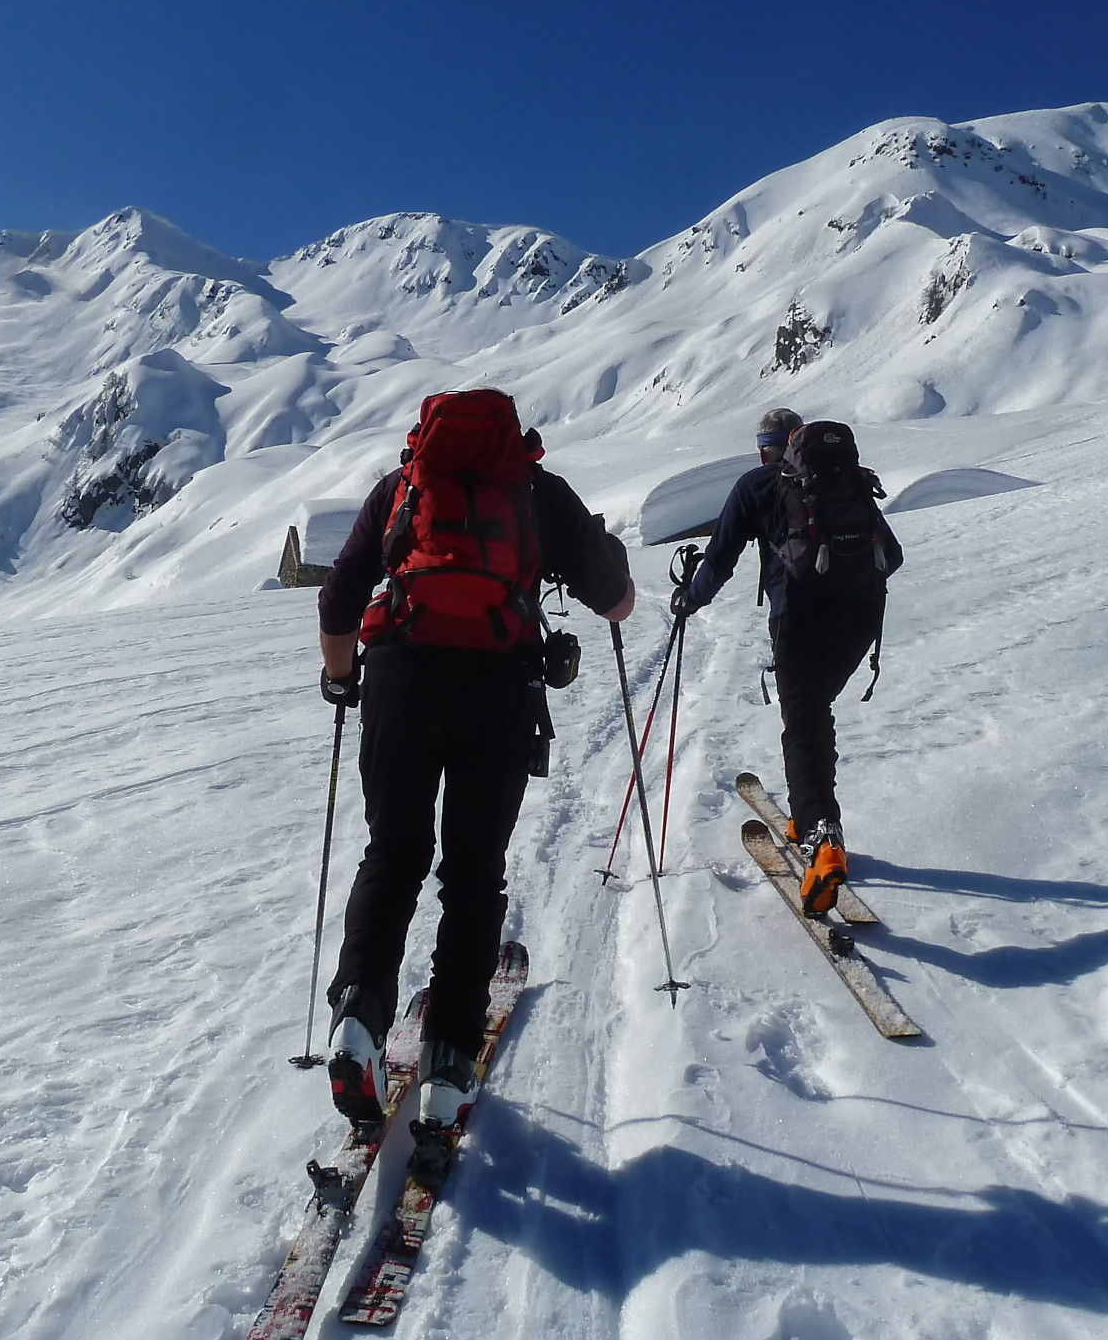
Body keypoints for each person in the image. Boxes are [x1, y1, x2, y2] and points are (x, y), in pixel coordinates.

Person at [316, 388, 633, 1135]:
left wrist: (341, 678)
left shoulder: (402, 489)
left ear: (424, 436)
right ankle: (449, 1063)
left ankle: (358, 1021)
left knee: (392, 857)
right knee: (471, 874)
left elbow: (338, 597)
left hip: (399, 677)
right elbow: (616, 601)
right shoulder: (536, 492)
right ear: (510, 438)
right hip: (497, 687)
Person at [672, 406, 902, 915]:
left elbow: (719, 560)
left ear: (766, 446)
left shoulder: (757, 485)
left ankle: (822, 838)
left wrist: (690, 598)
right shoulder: (844, 483)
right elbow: (893, 553)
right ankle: (808, 811)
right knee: (814, 713)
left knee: (803, 723)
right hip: (863, 615)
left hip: (800, 617)